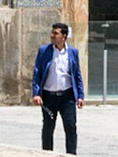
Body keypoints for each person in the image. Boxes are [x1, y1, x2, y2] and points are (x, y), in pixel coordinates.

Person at [31, 21, 86, 153]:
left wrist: (80, 96)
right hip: (49, 97)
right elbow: (37, 73)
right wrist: (36, 93)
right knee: (48, 128)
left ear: (64, 36)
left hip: (67, 97)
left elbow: (77, 74)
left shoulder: (72, 52)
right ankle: (47, 153)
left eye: (55, 33)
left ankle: (71, 154)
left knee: (71, 126)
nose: (52, 36)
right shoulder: (44, 51)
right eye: (52, 33)